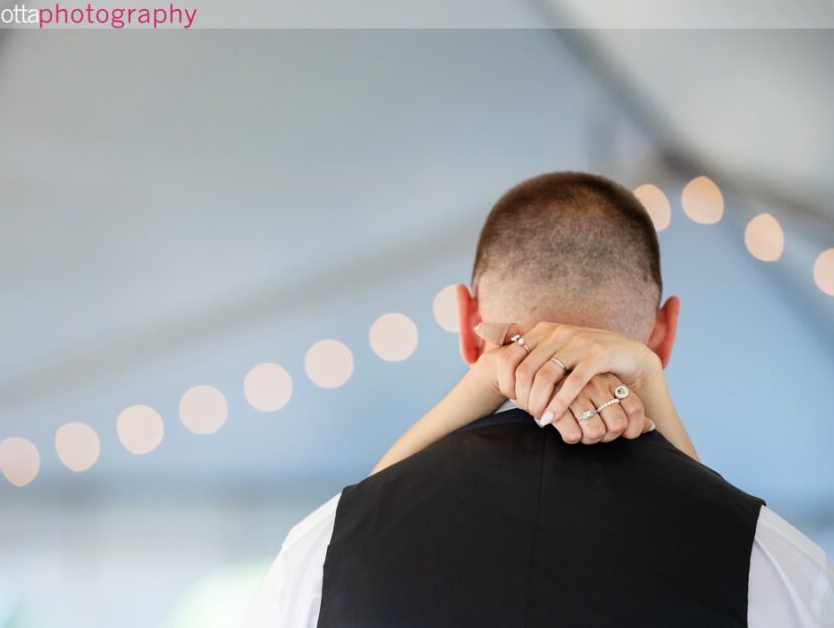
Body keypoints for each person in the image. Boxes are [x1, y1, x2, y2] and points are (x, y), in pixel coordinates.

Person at [243, 172, 833, 627]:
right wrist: (650, 390)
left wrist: (481, 385)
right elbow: (714, 532)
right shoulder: (777, 562)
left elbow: (366, 520)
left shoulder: (323, 547)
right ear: (665, 331)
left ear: (466, 318)